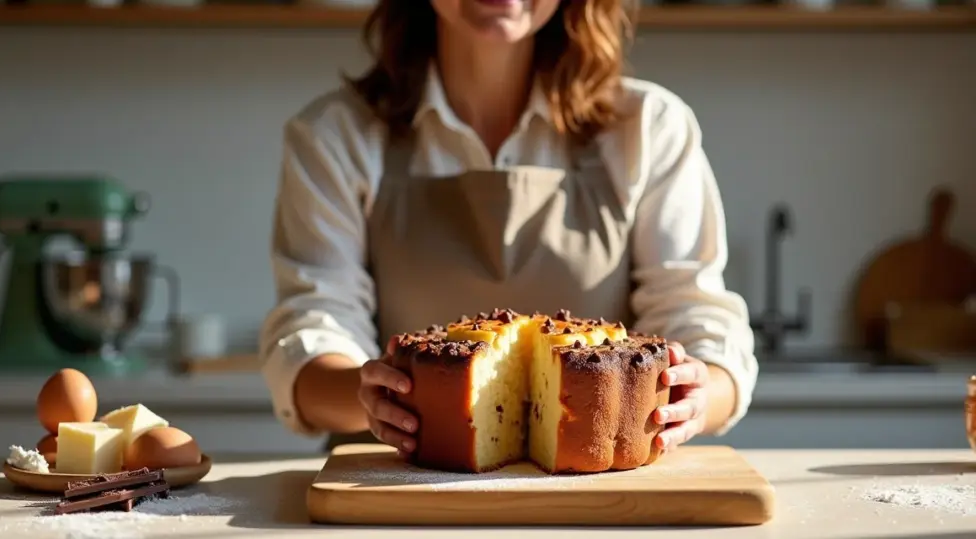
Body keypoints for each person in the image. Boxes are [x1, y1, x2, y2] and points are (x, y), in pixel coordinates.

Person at [260, 0, 758, 456]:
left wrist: (695, 397)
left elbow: (700, 320)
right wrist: (368, 395)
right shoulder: (335, 135)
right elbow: (313, 326)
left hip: (600, 501)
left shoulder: (648, 128)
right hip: (395, 491)